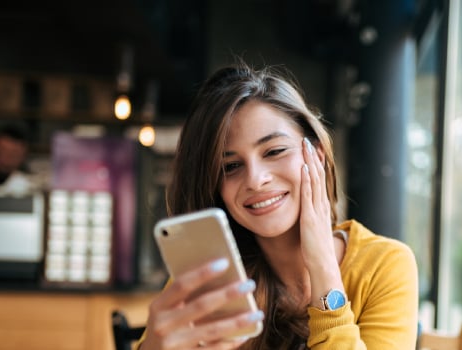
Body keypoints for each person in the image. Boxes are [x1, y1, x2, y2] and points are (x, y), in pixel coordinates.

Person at [138, 63, 419, 349]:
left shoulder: (383, 265)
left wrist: (322, 266)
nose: (256, 180)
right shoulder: (209, 276)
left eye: (274, 151)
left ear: (317, 155)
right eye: (231, 166)